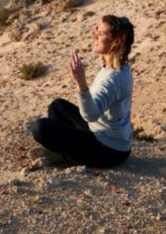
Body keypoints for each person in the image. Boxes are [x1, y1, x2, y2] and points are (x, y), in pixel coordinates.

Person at [27, 15, 135, 168]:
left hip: (109, 151)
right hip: (110, 138)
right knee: (57, 106)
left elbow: (91, 115)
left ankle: (64, 155)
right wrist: (101, 36)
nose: (95, 36)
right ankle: (65, 151)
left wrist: (81, 83)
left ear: (116, 41)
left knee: (40, 128)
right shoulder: (118, 65)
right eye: (97, 31)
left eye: (100, 34)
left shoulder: (113, 79)